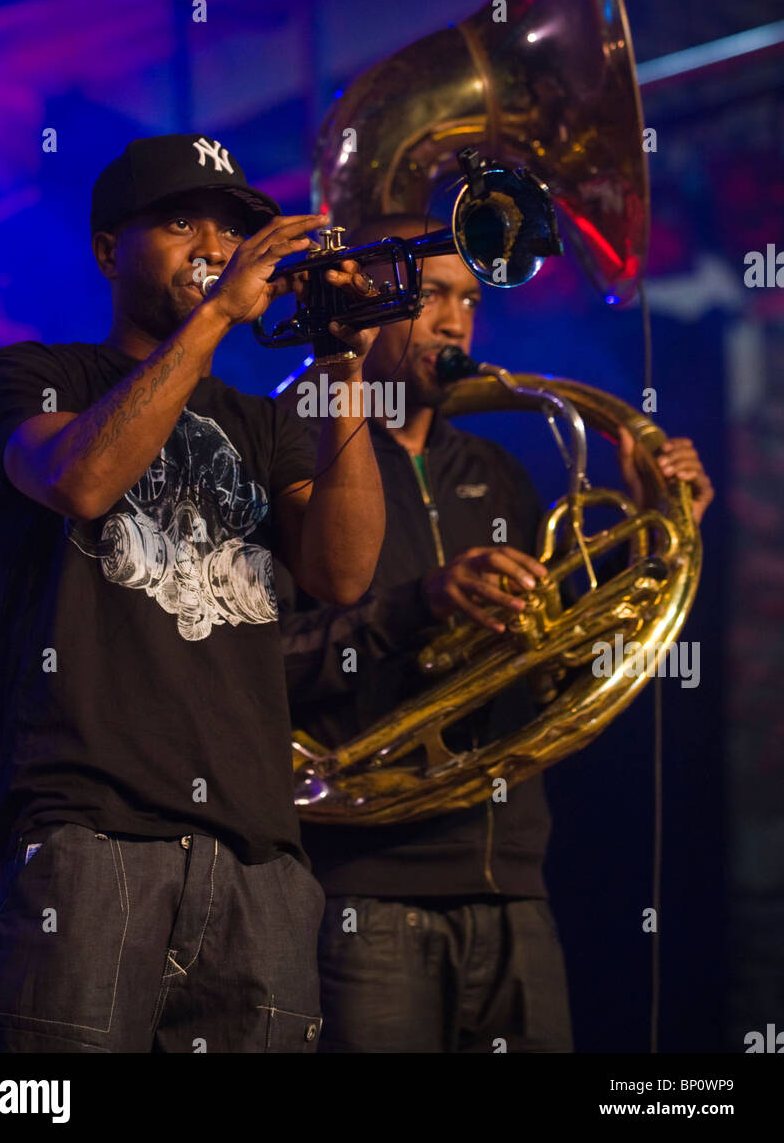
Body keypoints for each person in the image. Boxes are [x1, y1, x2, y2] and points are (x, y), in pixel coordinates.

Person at [0, 133, 385, 1054]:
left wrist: (342, 370)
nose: (213, 244)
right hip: (91, 836)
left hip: (259, 855)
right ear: (110, 249)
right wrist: (218, 318)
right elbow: (82, 482)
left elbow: (343, 572)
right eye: (180, 221)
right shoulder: (39, 374)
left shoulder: (264, 421)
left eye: (232, 229)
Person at [276, 214, 714, 1054]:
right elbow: (251, 668)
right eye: (432, 295)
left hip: (512, 887)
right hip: (359, 888)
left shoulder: (495, 470)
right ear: (369, 306)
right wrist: (419, 604)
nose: (455, 321)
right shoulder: (291, 449)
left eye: (469, 299)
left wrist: (659, 534)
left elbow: (549, 674)